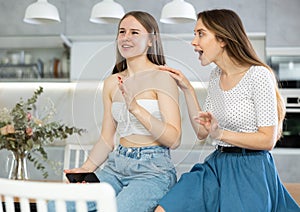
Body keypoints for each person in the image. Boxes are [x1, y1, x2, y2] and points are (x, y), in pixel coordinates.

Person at [155, 9, 300, 212]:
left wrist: (221, 133)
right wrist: (186, 88)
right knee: (166, 208)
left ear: (222, 39)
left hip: (250, 169)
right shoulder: (216, 76)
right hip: (217, 165)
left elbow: (267, 140)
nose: (194, 42)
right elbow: (202, 132)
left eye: (200, 34)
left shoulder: (258, 75)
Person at [63, 11, 181, 212]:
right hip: (115, 167)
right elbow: (106, 139)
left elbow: (174, 139)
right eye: (122, 32)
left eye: (134, 32)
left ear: (151, 40)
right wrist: (85, 169)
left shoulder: (163, 78)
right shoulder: (112, 82)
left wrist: (135, 108)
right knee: (59, 206)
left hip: (152, 172)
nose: (126, 37)